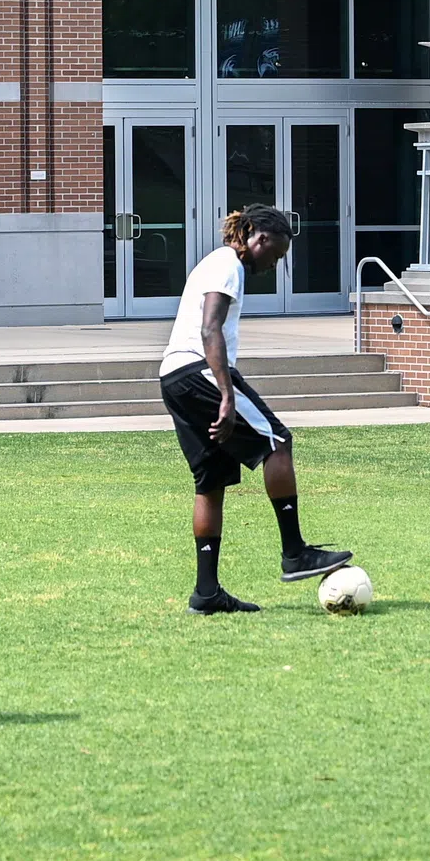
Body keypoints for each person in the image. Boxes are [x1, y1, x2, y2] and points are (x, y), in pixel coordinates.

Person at [157, 206, 352, 614]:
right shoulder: (228, 265)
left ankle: (206, 593)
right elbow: (210, 328)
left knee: (210, 482)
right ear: (257, 239)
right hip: (200, 370)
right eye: (276, 255)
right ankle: (295, 553)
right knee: (277, 442)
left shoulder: (218, 263)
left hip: (174, 377)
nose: (274, 263)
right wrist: (227, 396)